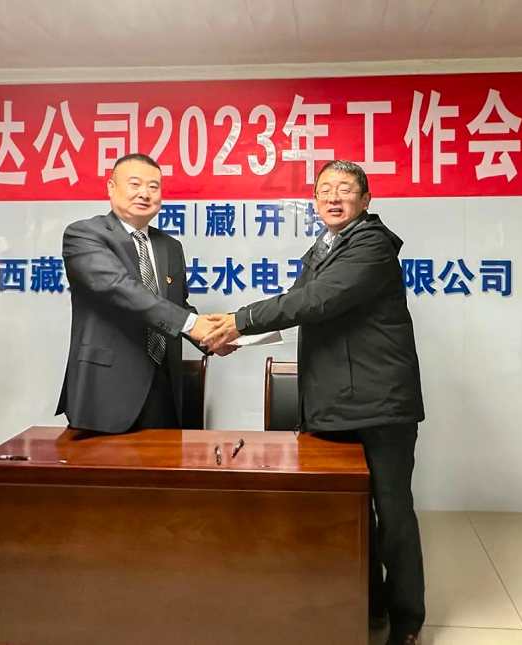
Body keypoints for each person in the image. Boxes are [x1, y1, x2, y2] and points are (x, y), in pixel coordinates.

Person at [203, 160, 425, 645]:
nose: (333, 197)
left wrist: (239, 319)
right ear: (314, 201)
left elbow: (318, 300)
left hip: (381, 404)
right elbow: (299, 309)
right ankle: (368, 605)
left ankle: (407, 621)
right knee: (348, 514)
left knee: (393, 516)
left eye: (345, 189)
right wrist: (235, 338)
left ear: (365, 200)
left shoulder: (372, 246)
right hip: (333, 402)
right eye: (325, 189)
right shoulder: (322, 249)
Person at [56, 153, 229, 434]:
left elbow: (176, 305)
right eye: (135, 184)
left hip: (164, 385)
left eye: (153, 186)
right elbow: (120, 288)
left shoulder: (170, 246)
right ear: (111, 187)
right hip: (106, 387)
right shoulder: (85, 235)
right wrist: (191, 324)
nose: (145, 194)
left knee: (165, 462)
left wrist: (211, 337)